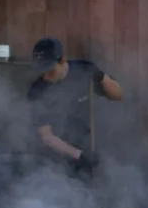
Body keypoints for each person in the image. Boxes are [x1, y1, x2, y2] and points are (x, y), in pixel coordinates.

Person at [27, 37, 123, 177]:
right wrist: (80, 155)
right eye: (43, 71)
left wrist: (100, 76)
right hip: (54, 160)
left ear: (63, 60)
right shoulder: (37, 90)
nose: (46, 76)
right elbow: (47, 137)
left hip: (86, 146)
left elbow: (118, 95)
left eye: (50, 70)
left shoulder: (83, 70)